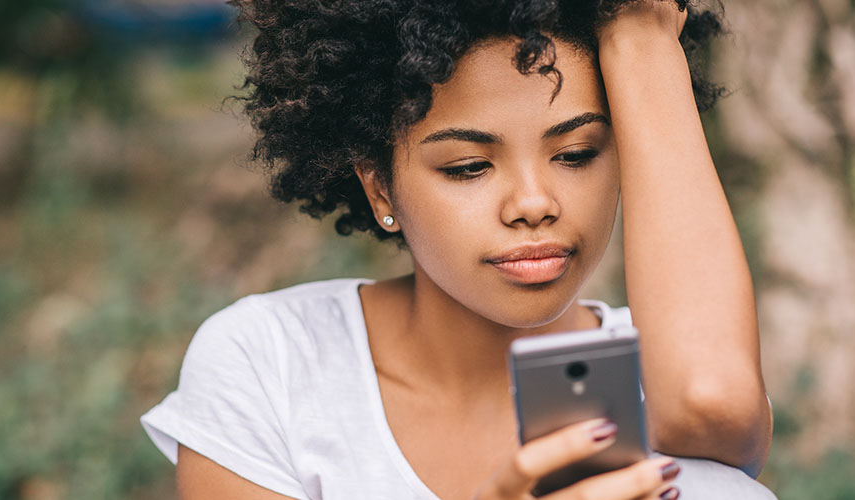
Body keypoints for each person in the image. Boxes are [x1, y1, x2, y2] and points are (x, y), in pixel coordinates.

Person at [141, 0, 777, 498]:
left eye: (577, 154)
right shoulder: (275, 365)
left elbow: (710, 400)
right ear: (380, 185)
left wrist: (638, 32)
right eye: (470, 166)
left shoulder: (671, 377)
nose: (534, 202)